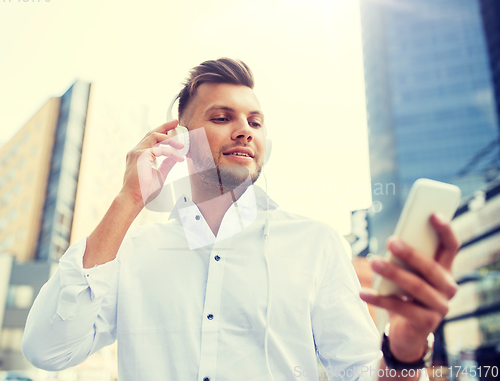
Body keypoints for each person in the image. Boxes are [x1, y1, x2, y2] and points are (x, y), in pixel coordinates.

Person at [22, 58, 460, 381]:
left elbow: (364, 375)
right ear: (179, 138)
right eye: (221, 117)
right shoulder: (134, 254)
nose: (245, 129)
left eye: (255, 120)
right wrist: (129, 197)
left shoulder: (316, 245)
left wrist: (403, 354)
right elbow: (48, 350)